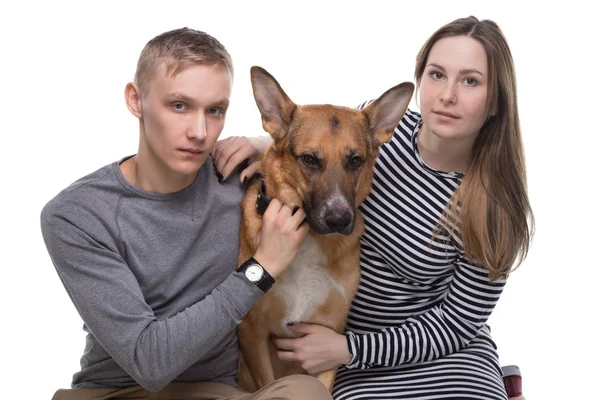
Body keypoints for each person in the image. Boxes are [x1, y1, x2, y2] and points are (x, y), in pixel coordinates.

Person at [213, 16, 533, 400]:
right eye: (436, 75)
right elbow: (317, 145)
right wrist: (259, 144)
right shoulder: (374, 132)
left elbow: (456, 325)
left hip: (438, 357)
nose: (448, 94)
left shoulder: (494, 206)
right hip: (345, 358)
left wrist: (349, 350)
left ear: (495, 98)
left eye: (470, 81)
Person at [40, 27, 333, 400]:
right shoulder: (77, 215)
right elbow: (149, 363)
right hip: (117, 390)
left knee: (306, 393)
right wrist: (260, 270)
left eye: (215, 111)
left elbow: (329, 154)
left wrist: (266, 147)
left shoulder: (237, 178)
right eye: (179, 105)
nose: (199, 131)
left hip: (213, 391)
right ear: (136, 99)